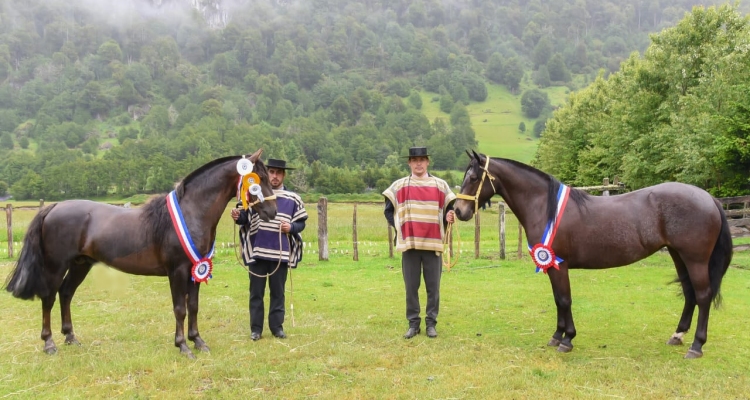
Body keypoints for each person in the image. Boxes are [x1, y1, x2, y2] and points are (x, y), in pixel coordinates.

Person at [382, 147, 456, 339]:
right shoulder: (399, 186)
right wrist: (400, 229)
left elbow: (450, 209)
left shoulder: (440, 186)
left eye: (422, 159)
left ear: (428, 162)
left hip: (433, 245)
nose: (418, 163)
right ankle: (413, 324)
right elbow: (388, 210)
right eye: (415, 160)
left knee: (434, 287)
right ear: (409, 163)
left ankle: (431, 323)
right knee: (411, 287)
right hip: (410, 245)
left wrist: (449, 217)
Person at [231, 158, 307, 341]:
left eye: (278, 173)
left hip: (280, 253)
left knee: (277, 292)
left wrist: (291, 228)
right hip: (258, 250)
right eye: (271, 172)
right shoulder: (255, 193)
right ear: (267, 174)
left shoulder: (293, 198)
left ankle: (277, 327)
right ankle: (256, 329)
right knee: (256, 292)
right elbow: (245, 218)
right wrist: (238, 217)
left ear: (283, 175)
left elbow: (301, 222)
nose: (275, 176)